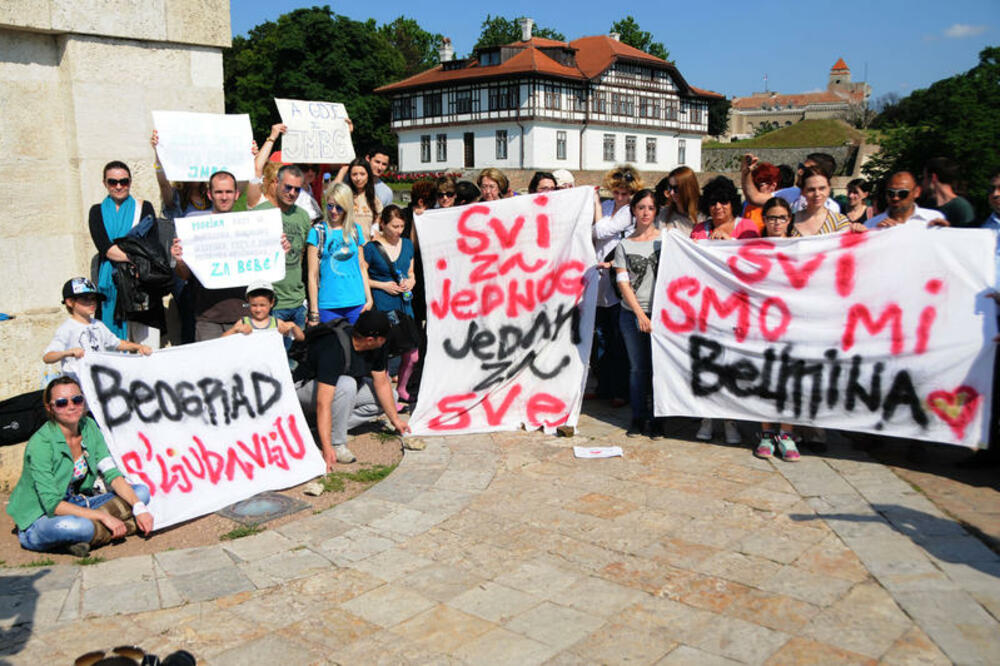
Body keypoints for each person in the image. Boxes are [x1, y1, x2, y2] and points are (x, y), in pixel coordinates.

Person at [7, 376, 153, 556]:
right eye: (62, 403)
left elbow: (112, 474)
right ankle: (121, 527)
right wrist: (104, 516)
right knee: (80, 526)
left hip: (76, 502)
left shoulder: (88, 426)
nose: (71, 406)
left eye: (77, 400)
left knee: (141, 493)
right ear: (50, 408)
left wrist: (139, 508)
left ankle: (83, 538)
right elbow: (53, 505)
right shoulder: (41, 444)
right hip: (42, 515)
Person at [294, 310, 412, 468]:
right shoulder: (334, 346)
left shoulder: (377, 346)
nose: (387, 341)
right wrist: (326, 447)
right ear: (371, 340)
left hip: (340, 390)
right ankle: (336, 443)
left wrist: (395, 419)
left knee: (391, 396)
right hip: (304, 388)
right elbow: (323, 402)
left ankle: (325, 426)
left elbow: (382, 383)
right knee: (347, 385)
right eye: (385, 337)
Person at [171, 171, 279, 341]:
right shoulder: (194, 227)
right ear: (210, 194)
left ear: (236, 194)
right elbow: (184, 275)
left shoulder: (251, 227)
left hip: (244, 315)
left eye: (228, 192)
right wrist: (179, 260)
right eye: (219, 192)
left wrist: (278, 247)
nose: (224, 197)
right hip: (207, 317)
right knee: (211, 359)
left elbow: (266, 264)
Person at [690, 176, 757, 445]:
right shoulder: (699, 230)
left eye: (724, 201)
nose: (718, 207)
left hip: (737, 309)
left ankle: (730, 420)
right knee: (707, 363)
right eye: (713, 202)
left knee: (732, 366)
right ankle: (706, 418)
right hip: (706, 309)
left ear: (732, 203)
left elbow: (755, 264)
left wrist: (729, 244)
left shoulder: (747, 228)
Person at [751, 199, 801, 461]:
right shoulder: (754, 248)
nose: (777, 223)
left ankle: (787, 433)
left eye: (782, 217)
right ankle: (767, 432)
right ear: (764, 219)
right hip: (762, 321)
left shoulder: (800, 247)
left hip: (792, 322)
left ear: (789, 219)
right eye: (771, 217)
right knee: (765, 379)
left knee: (789, 380)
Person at [88, 160, 159, 343]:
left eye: (124, 181)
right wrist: (134, 258)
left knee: (147, 346)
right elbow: (105, 247)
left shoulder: (144, 207)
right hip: (111, 283)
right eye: (113, 182)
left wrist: (136, 260)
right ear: (105, 183)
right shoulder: (96, 212)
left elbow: (151, 244)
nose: (119, 186)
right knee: (114, 346)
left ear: (130, 182)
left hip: (140, 285)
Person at [592, 166, 645, 408]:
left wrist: (595, 203)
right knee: (601, 336)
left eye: (625, 193)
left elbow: (600, 230)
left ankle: (620, 390)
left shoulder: (628, 211)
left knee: (618, 339)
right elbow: (593, 233)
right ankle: (603, 386)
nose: (621, 197)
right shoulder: (606, 207)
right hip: (599, 278)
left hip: (618, 279)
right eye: (617, 192)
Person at [613, 189, 661, 437]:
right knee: (637, 368)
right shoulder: (624, 245)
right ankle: (638, 417)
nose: (645, 212)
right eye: (641, 207)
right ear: (633, 210)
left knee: (659, 369)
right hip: (631, 314)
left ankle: (658, 418)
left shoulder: (666, 241)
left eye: (650, 208)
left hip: (661, 314)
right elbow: (623, 283)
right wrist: (640, 315)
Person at [43, 277, 152, 381]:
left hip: (99, 382)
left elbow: (117, 343)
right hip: (78, 384)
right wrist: (67, 353)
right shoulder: (67, 328)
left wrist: (139, 347)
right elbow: (47, 357)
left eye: (94, 298)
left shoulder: (98, 325)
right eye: (85, 299)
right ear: (70, 302)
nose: (92, 302)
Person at [364, 206, 420, 403]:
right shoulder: (371, 248)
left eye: (402, 226)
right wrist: (382, 285)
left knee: (412, 353)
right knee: (385, 353)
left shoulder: (407, 244)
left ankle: (402, 388)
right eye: (394, 226)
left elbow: (411, 272)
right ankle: (387, 397)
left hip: (404, 304)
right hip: (383, 303)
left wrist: (410, 283)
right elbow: (362, 277)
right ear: (383, 224)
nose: (399, 230)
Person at [252, 165, 312, 343]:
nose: (292, 193)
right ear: (276, 182)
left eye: (297, 189)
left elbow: (304, 256)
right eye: (288, 187)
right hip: (271, 303)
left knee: (297, 356)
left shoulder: (303, 216)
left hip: (297, 302)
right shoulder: (259, 214)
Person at [307, 182, 372, 326]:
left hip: (356, 302)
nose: (334, 211)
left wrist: (369, 298)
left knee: (357, 340)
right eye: (330, 206)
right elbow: (312, 275)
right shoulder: (317, 232)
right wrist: (314, 311)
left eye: (339, 207)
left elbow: (362, 266)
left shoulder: (355, 230)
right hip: (328, 303)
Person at [742, 153, 840, 213]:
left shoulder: (832, 208)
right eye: (800, 166)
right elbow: (754, 198)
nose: (799, 172)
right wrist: (746, 173)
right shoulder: (792, 193)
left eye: (804, 169)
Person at [222, 281, 304, 342]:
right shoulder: (243, 322)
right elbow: (221, 341)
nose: (258, 310)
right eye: (254, 305)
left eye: (262, 305)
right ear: (248, 303)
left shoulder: (277, 323)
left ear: (271, 303)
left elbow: (300, 338)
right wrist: (235, 330)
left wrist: (293, 326)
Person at [865, 172, 945, 229]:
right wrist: (876, 233)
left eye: (903, 193)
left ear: (917, 192)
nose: (896, 198)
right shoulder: (871, 224)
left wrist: (943, 231)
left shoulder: (933, 218)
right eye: (891, 193)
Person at [789, 167, 855, 237]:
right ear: (802, 192)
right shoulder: (789, 221)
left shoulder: (839, 222)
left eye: (822, 188)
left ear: (829, 189)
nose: (817, 194)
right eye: (811, 190)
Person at [922, 157, 977, 227]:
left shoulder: (961, 207)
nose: (923, 182)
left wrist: (947, 228)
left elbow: (968, 232)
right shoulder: (928, 205)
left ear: (933, 177)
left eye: (924, 177)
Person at [337, 158, 382, 240]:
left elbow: (375, 228)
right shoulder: (344, 197)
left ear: (368, 175)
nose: (358, 178)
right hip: (348, 245)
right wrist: (343, 171)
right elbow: (333, 192)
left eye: (362, 174)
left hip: (367, 245)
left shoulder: (375, 200)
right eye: (354, 174)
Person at [655, 166, 703, 235]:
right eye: (670, 188)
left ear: (688, 189)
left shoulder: (703, 217)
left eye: (676, 189)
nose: (672, 192)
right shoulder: (663, 215)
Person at [740, 161, 780, 230]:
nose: (754, 189)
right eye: (753, 184)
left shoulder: (781, 207)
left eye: (759, 185)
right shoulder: (747, 205)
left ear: (773, 185)